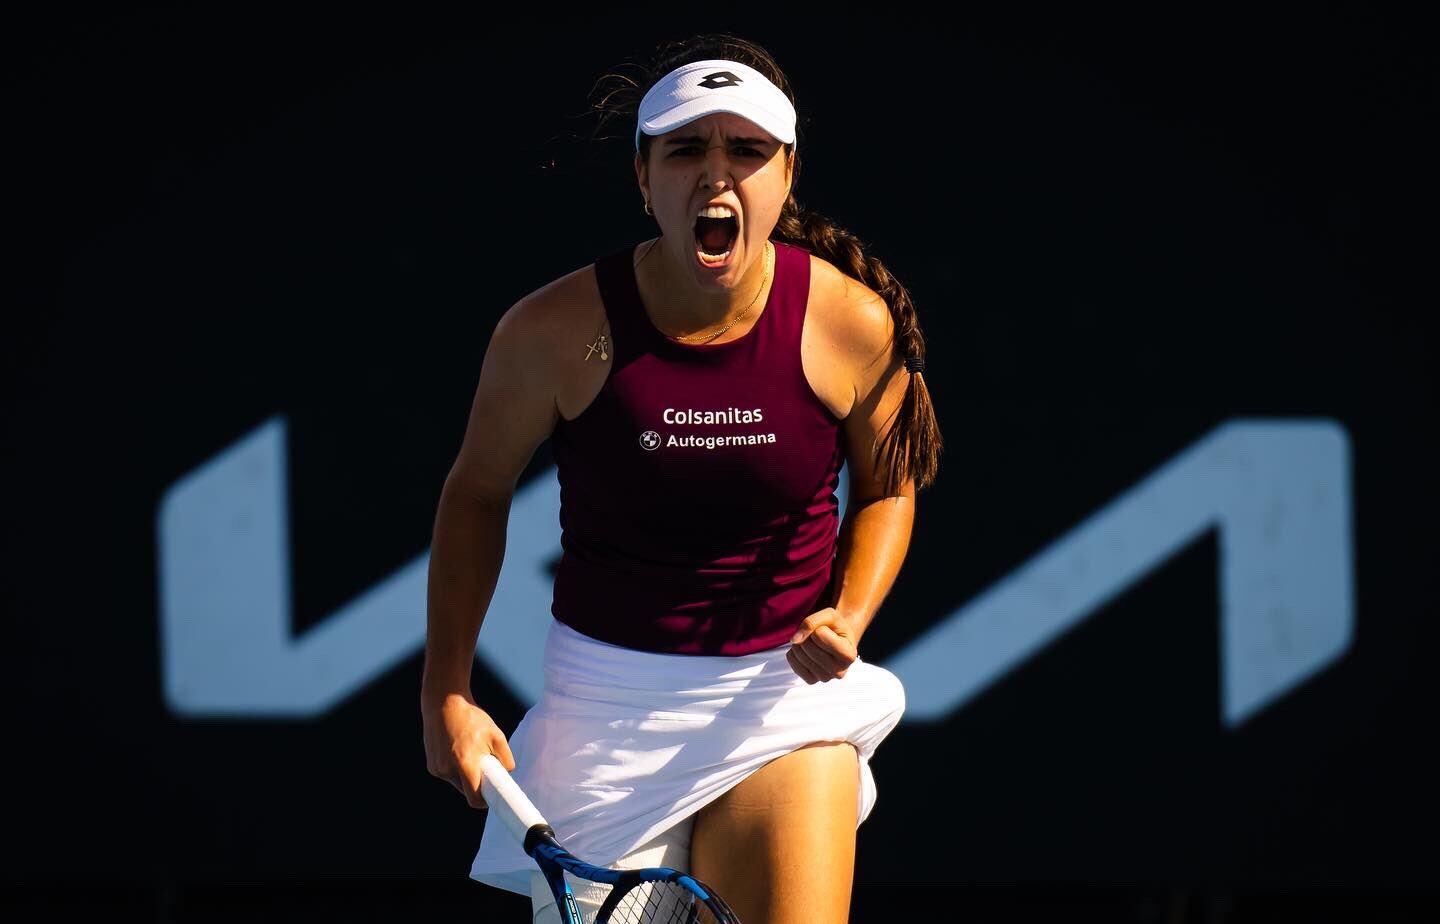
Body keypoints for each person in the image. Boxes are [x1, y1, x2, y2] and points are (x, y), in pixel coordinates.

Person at [421, 33, 942, 923]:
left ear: (785, 174)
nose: (716, 175)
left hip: (783, 696)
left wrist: (849, 613)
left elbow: (890, 487)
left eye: (746, 151)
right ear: (643, 177)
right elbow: (475, 493)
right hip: (605, 707)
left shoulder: (851, 323)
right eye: (686, 149)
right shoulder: (550, 332)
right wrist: (448, 693)